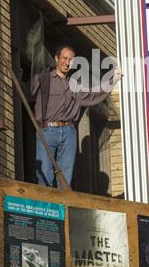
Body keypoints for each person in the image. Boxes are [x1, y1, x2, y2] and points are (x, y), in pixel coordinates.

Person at [31, 45, 122, 188]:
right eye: (65, 58)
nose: (67, 63)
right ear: (56, 58)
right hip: (47, 130)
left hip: (69, 132)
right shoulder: (43, 79)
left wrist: (112, 80)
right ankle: (46, 209)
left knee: (65, 178)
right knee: (44, 174)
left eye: (71, 60)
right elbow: (28, 92)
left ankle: (64, 207)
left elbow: (93, 94)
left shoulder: (74, 84)